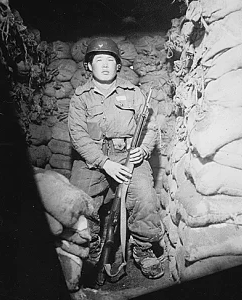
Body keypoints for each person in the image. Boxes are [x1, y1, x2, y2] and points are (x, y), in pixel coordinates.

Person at [68, 37, 164, 280]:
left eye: (110, 60)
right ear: (89, 66)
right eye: (98, 60)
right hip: (94, 157)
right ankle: (91, 245)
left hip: (129, 155)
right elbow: (78, 135)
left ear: (118, 65)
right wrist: (104, 162)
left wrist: (142, 150)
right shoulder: (80, 97)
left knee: (144, 195)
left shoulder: (133, 93)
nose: (104, 65)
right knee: (81, 198)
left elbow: (150, 126)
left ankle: (143, 248)